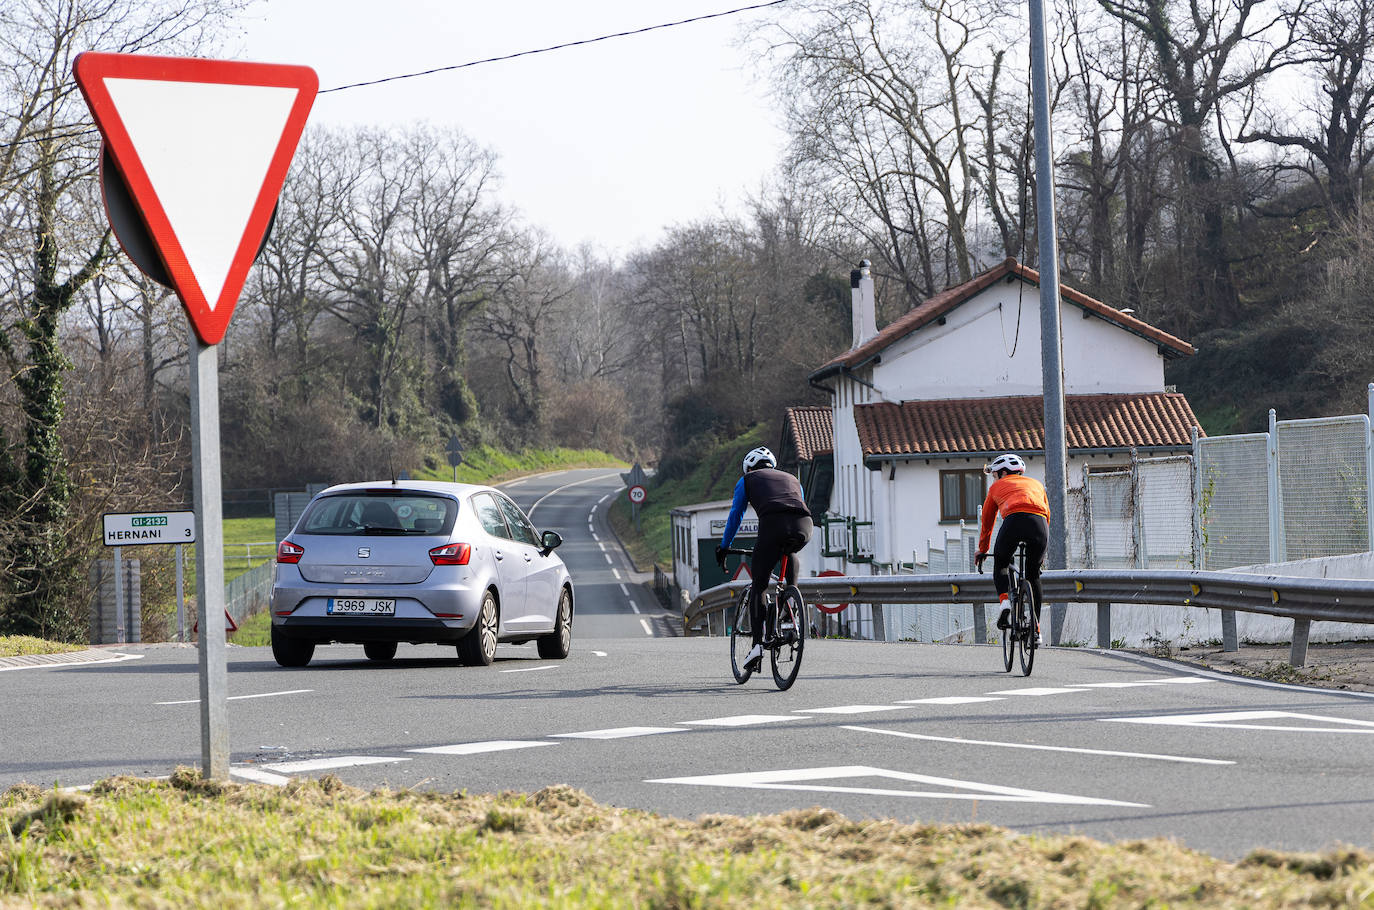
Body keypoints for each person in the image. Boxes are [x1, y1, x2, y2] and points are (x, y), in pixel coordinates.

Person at [715, 446, 813, 671]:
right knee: (789, 552)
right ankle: (791, 601)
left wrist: (724, 547)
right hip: (804, 526)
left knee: (759, 585)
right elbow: (799, 504)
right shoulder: (792, 478)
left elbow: (736, 515)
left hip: (773, 527)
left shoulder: (747, 480)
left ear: (748, 468)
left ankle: (757, 645)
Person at [974, 453, 1050, 644]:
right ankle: (1036, 629)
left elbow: (987, 521)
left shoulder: (996, 487)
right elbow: (1047, 515)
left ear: (1004, 472)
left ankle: (1005, 601)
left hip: (1013, 522)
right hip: (1039, 525)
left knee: (1001, 563)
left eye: (995, 474)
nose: (994, 478)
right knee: (1033, 575)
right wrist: (1040, 555)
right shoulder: (1037, 485)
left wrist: (982, 549)